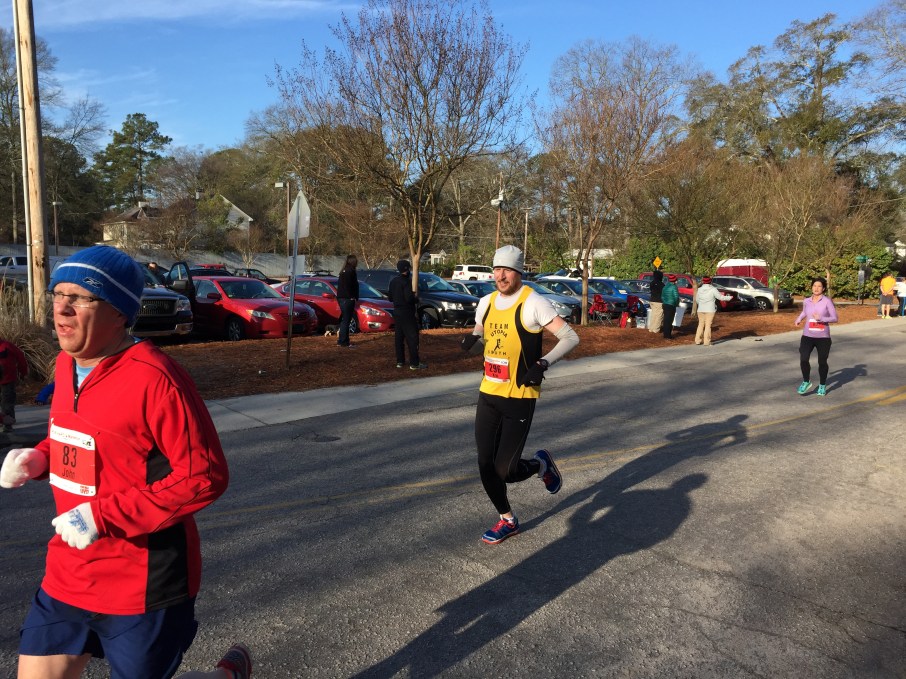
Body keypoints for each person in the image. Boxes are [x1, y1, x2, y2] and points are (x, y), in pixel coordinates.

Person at [0, 245, 234, 679]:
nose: (61, 308)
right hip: (70, 573)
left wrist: (102, 516)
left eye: (80, 297)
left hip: (142, 583)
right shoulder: (66, 364)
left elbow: (204, 477)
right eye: (58, 294)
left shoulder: (156, 378)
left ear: (119, 312)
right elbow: (77, 439)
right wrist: (39, 457)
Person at [461, 245, 579, 545]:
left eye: (507, 270)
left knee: (507, 470)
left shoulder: (533, 302)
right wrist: (471, 343)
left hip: (519, 396)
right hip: (489, 392)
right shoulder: (486, 303)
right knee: (485, 464)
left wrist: (543, 363)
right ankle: (507, 520)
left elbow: (570, 337)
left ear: (519, 272)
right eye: (496, 269)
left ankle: (540, 464)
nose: (500, 276)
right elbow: (483, 338)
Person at [794, 276, 838, 396]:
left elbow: (835, 318)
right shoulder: (806, 301)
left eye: (819, 286)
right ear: (811, 287)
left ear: (823, 289)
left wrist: (821, 318)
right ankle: (806, 381)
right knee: (804, 359)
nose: (816, 288)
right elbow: (804, 312)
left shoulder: (827, 301)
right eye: (814, 286)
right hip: (807, 335)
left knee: (822, 361)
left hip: (823, 337)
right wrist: (799, 319)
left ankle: (822, 385)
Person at [389, 260, 426, 370]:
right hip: (407, 312)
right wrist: (416, 299)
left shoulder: (393, 281)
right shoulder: (406, 282)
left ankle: (400, 361)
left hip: (397, 311)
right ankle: (414, 363)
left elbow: (390, 298)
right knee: (412, 337)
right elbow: (409, 298)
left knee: (399, 337)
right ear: (407, 269)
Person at [0, 336, 28, 432]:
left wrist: (23, 372)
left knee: (7, 403)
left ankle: (8, 423)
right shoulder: (7, 346)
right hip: (8, 378)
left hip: (8, 379)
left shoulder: (7, 346)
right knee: (7, 402)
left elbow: (21, 358)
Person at [694, 276, 731, 346]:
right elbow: (720, 297)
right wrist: (729, 298)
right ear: (710, 282)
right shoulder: (713, 289)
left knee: (700, 324)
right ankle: (706, 341)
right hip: (710, 309)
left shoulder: (699, 289)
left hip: (700, 309)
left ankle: (697, 340)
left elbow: (697, 300)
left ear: (703, 281)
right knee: (708, 325)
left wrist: (702, 304)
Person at [336, 254, 359, 347]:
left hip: (341, 298)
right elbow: (349, 286)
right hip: (347, 299)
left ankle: (341, 340)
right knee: (346, 320)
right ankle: (344, 341)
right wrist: (351, 296)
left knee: (344, 320)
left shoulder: (343, 271)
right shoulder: (350, 271)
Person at [661, 274, 680, 339]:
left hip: (665, 304)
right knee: (670, 320)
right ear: (674, 280)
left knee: (666, 320)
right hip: (671, 305)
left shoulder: (665, 287)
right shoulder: (674, 287)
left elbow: (662, 296)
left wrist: (665, 301)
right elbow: (676, 297)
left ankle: (665, 334)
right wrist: (676, 304)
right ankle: (668, 335)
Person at [647, 269, 664, 334]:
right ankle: (656, 329)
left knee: (653, 315)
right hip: (659, 301)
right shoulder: (661, 284)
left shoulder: (652, 283)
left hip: (652, 300)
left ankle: (651, 328)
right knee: (659, 315)